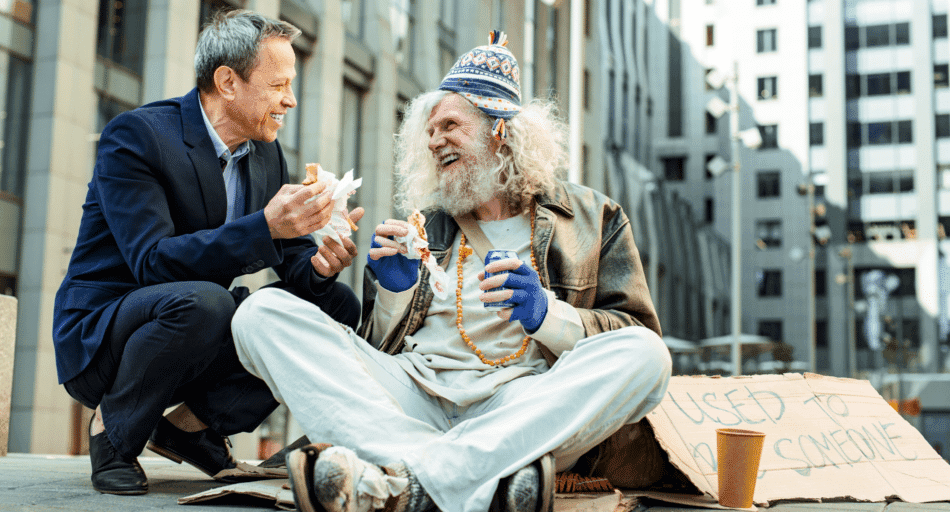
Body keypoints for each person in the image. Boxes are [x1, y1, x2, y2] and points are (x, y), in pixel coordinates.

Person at [231, 31, 670, 512]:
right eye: (429, 131)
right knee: (261, 312)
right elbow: (373, 357)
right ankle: (470, 474)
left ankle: (402, 480)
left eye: (448, 126)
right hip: (411, 396)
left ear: (499, 131)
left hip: (519, 405)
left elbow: (633, 331)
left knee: (646, 355)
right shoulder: (427, 226)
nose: (434, 140)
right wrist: (395, 291)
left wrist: (549, 316)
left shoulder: (593, 217)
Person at [52, 10, 363, 496]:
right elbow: (151, 261)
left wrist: (320, 267)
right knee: (206, 301)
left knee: (336, 307)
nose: (291, 100)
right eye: (278, 85)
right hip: (105, 333)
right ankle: (112, 434)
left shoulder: (265, 153)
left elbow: (291, 258)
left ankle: (190, 428)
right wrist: (265, 226)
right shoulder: (137, 136)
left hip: (194, 330)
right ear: (228, 82)